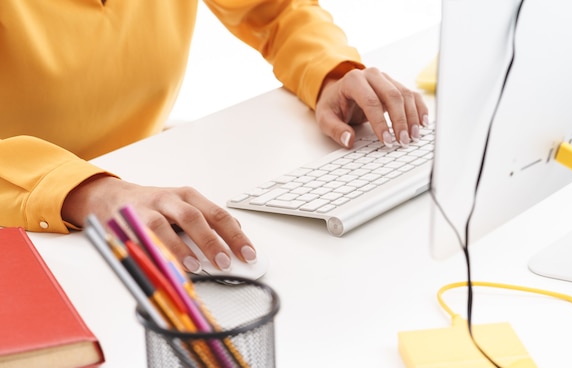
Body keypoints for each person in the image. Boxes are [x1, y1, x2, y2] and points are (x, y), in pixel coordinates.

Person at [0, 0, 429, 274]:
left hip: (148, 179)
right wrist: (89, 192)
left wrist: (329, 72)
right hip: (25, 208)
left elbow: (276, 10)